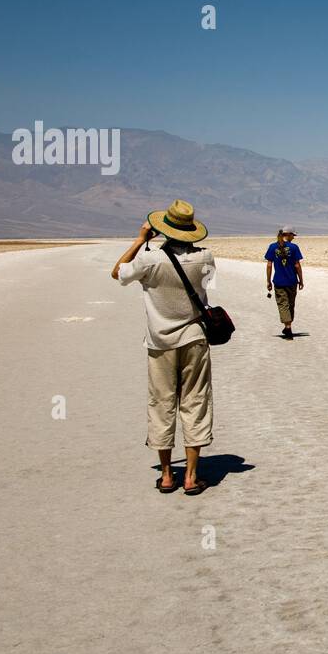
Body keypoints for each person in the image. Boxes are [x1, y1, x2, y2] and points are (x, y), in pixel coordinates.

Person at [110, 199, 216, 496]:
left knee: (162, 403)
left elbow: (117, 273)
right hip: (195, 338)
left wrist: (141, 240)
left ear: (163, 227)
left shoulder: (149, 260)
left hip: (160, 342)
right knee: (195, 401)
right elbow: (206, 286)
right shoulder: (205, 257)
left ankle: (168, 475)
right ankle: (192, 477)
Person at [264, 227, 304, 339]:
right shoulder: (294, 247)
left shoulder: (272, 247)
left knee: (283, 304)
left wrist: (268, 280)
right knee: (290, 304)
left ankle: (287, 327)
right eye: (293, 236)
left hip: (279, 281)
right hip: (292, 281)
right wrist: (301, 279)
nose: (293, 238)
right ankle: (288, 326)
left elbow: (269, 265)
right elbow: (297, 265)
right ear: (288, 235)